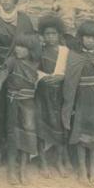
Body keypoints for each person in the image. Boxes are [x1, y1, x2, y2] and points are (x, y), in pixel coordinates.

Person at [0, 0, 34, 166]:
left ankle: (14, 151)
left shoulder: (24, 20)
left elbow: (30, 47)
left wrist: (14, 63)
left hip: (16, 70)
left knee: (15, 112)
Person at [62, 20, 94, 185]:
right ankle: (82, 169)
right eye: (87, 37)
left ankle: (92, 168)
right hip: (81, 99)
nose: (90, 41)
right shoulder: (74, 56)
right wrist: (71, 102)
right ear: (81, 38)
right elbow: (70, 81)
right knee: (80, 134)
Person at [1, 34, 43, 185]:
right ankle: (12, 170)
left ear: (30, 49)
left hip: (29, 104)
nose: (18, 49)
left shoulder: (36, 64)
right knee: (13, 135)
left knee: (28, 135)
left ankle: (23, 169)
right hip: (13, 103)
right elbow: (1, 79)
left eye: (23, 47)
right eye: (17, 46)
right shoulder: (11, 61)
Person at [35, 14, 70, 178]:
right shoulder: (39, 52)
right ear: (43, 35)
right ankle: (42, 162)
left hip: (60, 95)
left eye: (53, 34)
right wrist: (43, 77)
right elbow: (33, 70)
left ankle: (59, 161)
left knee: (60, 129)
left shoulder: (65, 52)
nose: (50, 37)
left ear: (59, 35)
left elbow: (71, 71)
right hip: (43, 95)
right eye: (47, 34)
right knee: (42, 127)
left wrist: (62, 77)